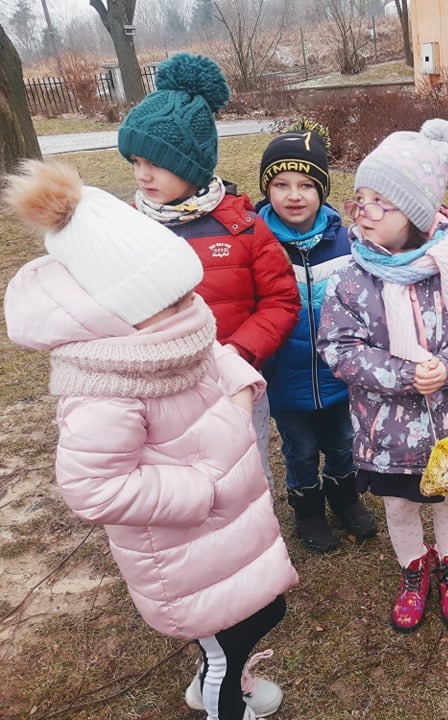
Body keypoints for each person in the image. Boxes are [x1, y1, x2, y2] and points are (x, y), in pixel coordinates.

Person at [2, 159, 299, 720]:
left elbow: (214, 355)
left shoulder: (170, 329)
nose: (192, 307)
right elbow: (93, 488)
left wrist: (239, 388)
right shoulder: (104, 388)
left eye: (190, 295)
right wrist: (201, 490)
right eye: (175, 300)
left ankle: (229, 679)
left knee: (257, 614)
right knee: (222, 643)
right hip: (183, 547)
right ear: (121, 310)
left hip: (225, 528)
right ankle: (221, 702)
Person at [317, 119, 448, 632]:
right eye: (360, 198)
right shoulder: (351, 278)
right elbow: (338, 347)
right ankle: (412, 572)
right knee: (398, 507)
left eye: (381, 201)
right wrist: (402, 374)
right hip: (386, 434)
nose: (363, 211)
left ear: (418, 214)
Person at [117, 52, 300, 488]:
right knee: (177, 484)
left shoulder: (242, 228)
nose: (143, 175)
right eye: (136, 162)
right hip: (158, 392)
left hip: (230, 385)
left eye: (156, 162)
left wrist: (239, 352)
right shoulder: (126, 229)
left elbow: (281, 300)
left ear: (192, 163)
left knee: (246, 475)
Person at [256, 125, 377, 552]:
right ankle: (307, 508)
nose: (294, 195)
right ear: (267, 189)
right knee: (300, 449)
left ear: (321, 190)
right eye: (281, 184)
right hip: (286, 380)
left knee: (344, 442)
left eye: (306, 184)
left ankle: (345, 497)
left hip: (338, 376)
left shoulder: (346, 241)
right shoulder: (257, 244)